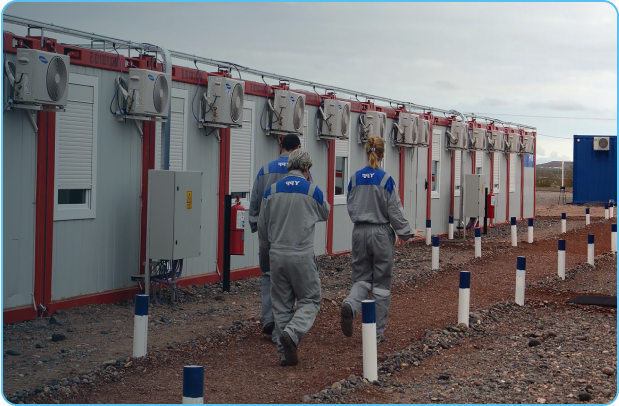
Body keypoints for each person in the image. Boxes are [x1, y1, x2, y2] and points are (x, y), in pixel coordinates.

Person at [258, 149, 330, 366]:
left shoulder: (270, 191)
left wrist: (266, 257)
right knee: (310, 299)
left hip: (276, 255)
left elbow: (262, 228)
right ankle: (294, 331)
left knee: (281, 305)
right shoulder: (312, 191)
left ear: (289, 166)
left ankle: (284, 354)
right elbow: (325, 213)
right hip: (302, 255)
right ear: (306, 168)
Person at [341, 136, 414, 344]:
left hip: (359, 232)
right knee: (381, 285)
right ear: (382, 155)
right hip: (381, 234)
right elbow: (394, 212)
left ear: (367, 153)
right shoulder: (386, 180)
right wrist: (407, 233)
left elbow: (350, 206)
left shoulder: (354, 179)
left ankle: (351, 303)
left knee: (362, 279)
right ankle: (375, 334)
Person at [249, 134, 301, 343]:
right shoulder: (301, 172)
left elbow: (255, 201)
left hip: (267, 235)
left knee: (268, 275)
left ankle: (269, 319)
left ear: (280, 146)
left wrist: (255, 226)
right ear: (297, 148)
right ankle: (285, 325)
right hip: (291, 235)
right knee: (290, 278)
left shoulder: (265, 170)